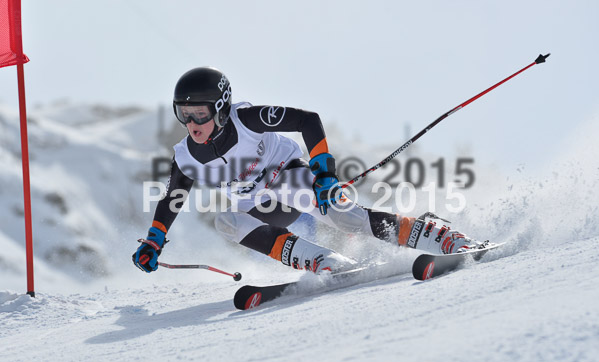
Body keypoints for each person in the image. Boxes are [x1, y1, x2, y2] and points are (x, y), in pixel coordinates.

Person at [133, 67, 480, 274]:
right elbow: (172, 198)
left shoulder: (247, 119)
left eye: (200, 114)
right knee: (225, 221)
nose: (192, 123)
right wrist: (155, 239)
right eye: (184, 114)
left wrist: (325, 175)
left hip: (287, 177)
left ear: (221, 109)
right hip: (259, 206)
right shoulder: (186, 156)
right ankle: (322, 261)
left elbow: (307, 120)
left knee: (342, 217)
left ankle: (436, 234)